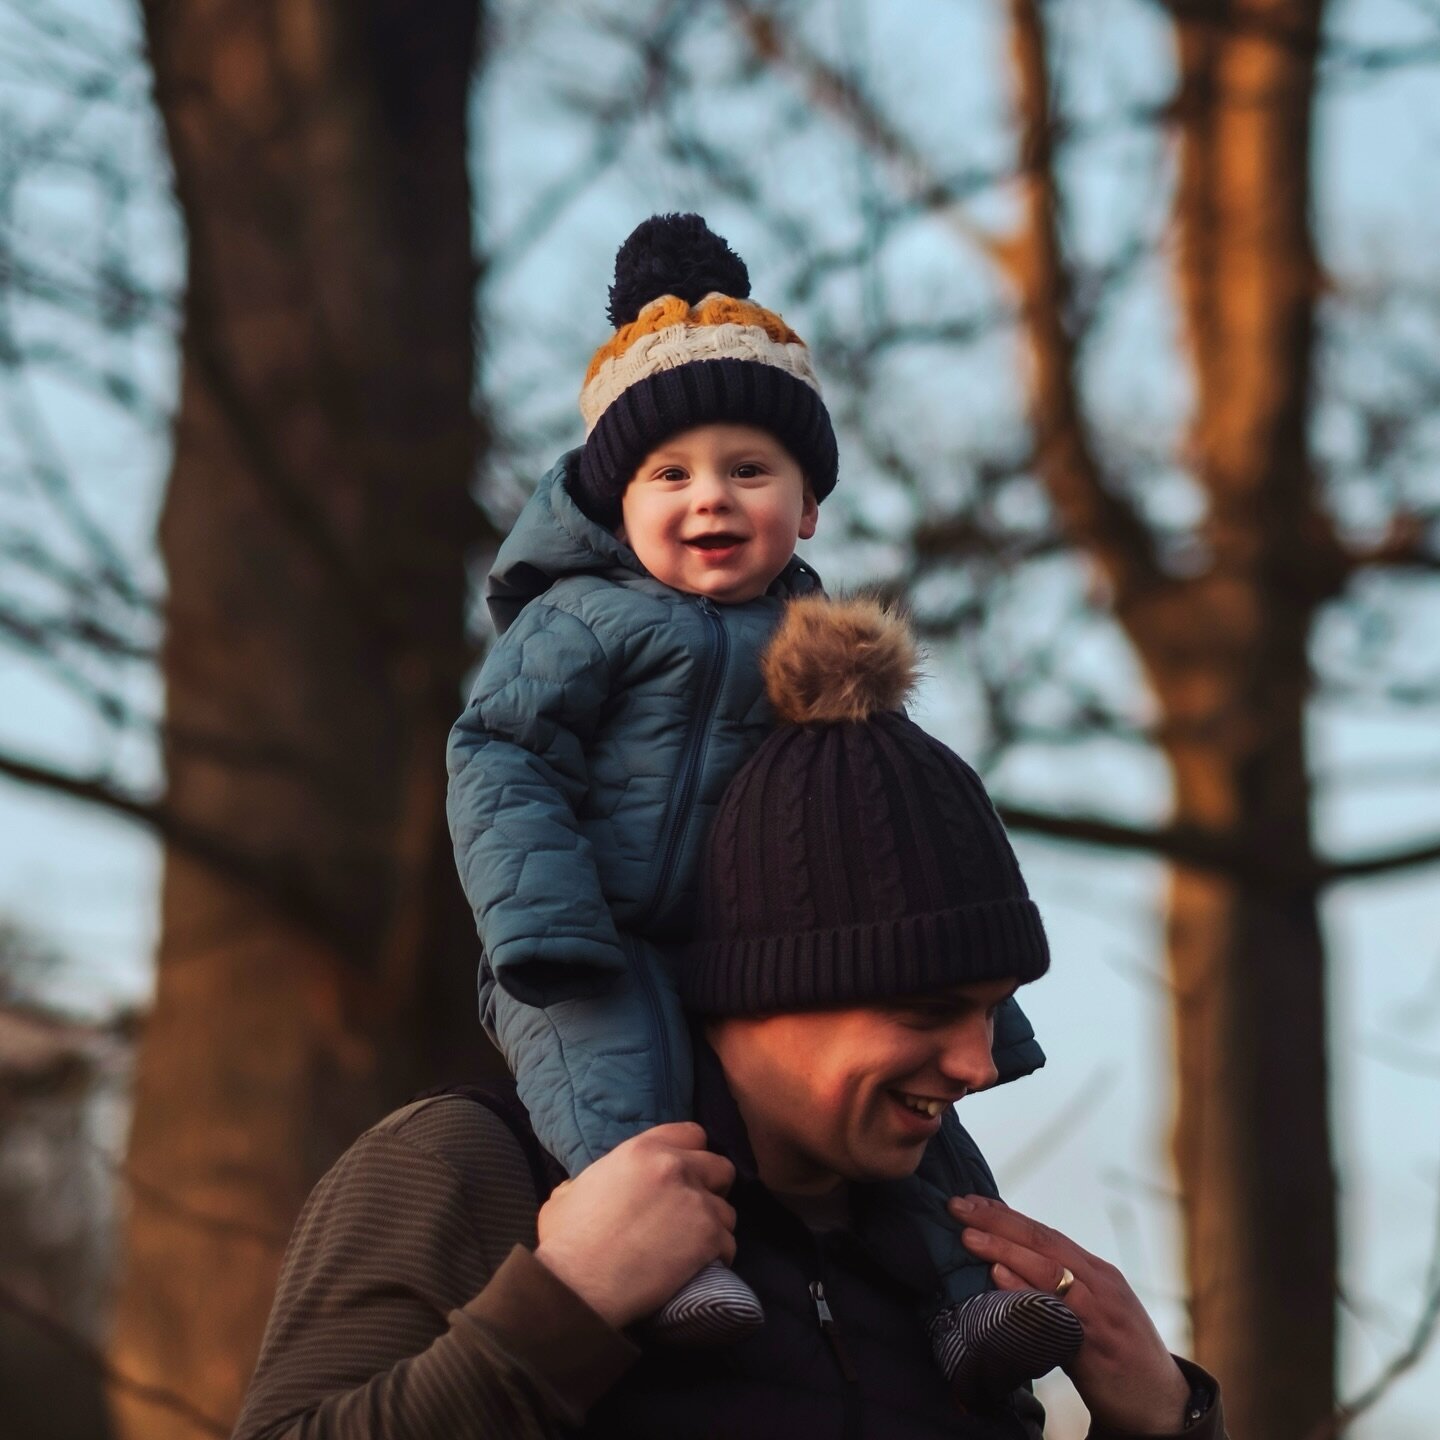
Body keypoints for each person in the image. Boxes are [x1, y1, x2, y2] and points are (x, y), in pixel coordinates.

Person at [233, 597, 1226, 1438]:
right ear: (763, 980)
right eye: (928, 1009)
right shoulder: (469, 1167)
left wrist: (1162, 1422)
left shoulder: (958, 1288)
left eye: (993, 1012)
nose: (977, 1064)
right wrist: (561, 1309)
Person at [445, 212, 1073, 1389]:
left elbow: (897, 823)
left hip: (765, 945)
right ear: (611, 502)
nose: (710, 499)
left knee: (910, 1116)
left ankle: (970, 1304)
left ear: (811, 505)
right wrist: (543, 920)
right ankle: (673, 1259)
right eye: (668, 475)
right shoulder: (581, 623)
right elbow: (498, 756)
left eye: (750, 471)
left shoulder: (821, 642)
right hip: (601, 928)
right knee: (612, 1068)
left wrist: (974, 1002)